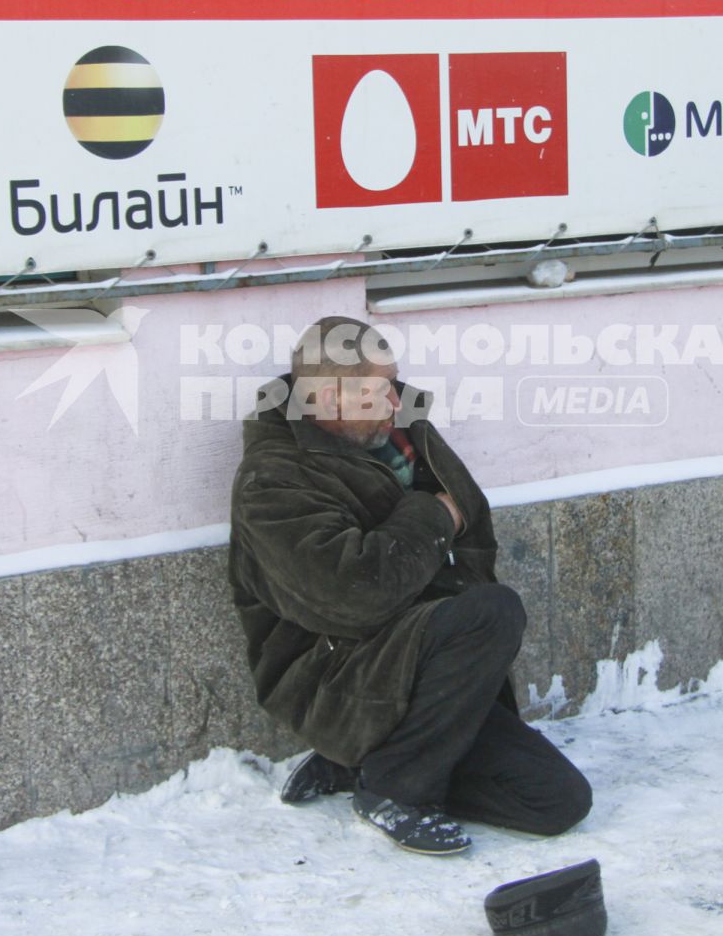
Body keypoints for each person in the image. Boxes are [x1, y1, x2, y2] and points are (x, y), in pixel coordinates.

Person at [228, 315, 591, 854]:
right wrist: (431, 519)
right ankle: (393, 788)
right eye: (381, 391)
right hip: (339, 675)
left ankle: (374, 761)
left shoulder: (398, 429)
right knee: (494, 611)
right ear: (330, 397)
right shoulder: (274, 480)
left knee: (557, 801)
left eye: (394, 384)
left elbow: (469, 510)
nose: (397, 401)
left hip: (425, 670)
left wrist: (432, 546)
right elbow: (355, 595)